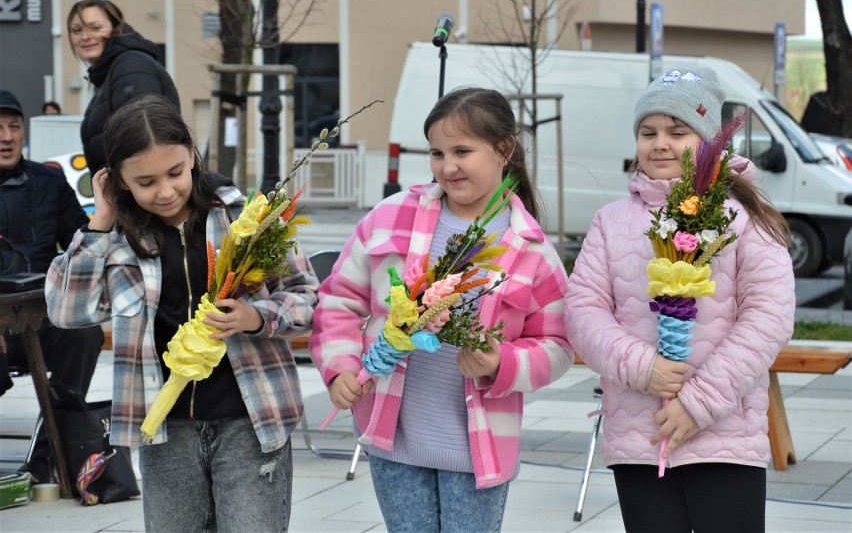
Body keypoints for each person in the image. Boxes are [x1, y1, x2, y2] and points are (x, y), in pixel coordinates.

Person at [45, 94, 318, 531]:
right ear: (118, 181)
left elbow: (307, 295)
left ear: (192, 155)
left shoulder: (248, 217)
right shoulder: (113, 238)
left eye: (175, 172)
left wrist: (258, 316)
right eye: (145, 181)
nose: (166, 191)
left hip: (250, 422)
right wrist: (100, 221)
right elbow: (65, 312)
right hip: (165, 431)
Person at [310, 87, 573, 532]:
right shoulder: (390, 217)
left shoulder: (531, 249)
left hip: (479, 446)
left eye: (462, 151)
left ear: (503, 150)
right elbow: (339, 301)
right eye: (437, 153)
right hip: (394, 437)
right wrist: (340, 368)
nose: (448, 166)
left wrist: (501, 362)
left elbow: (559, 344)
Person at [564, 65, 795, 532]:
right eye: (647, 132)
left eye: (677, 130)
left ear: (711, 141)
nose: (660, 143)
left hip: (724, 433)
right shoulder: (611, 222)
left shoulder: (745, 217)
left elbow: (768, 317)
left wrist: (698, 402)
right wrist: (642, 368)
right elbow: (583, 311)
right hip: (639, 436)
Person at [0, 89, 104, 483]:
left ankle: (46, 455)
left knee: (84, 334)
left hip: (40, 317)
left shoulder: (49, 181)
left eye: (13, 127)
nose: (6, 136)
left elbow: (81, 240)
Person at [67, 0, 180, 175]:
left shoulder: (131, 66)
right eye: (76, 30)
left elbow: (144, 143)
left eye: (95, 27)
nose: (85, 36)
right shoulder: (111, 73)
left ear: (115, 28)